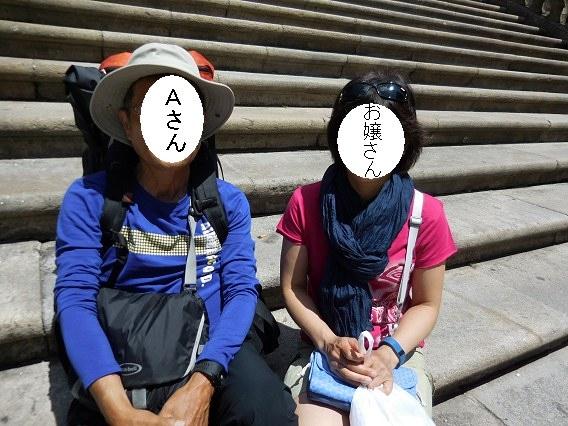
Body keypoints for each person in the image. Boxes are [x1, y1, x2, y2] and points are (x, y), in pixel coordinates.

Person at [54, 43, 297, 426]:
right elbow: (75, 300)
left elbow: (240, 291)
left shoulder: (227, 203)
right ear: (126, 122)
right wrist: (118, 410)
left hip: (207, 343)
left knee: (268, 411)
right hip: (124, 347)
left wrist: (204, 380)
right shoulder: (88, 199)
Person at [276, 70, 458, 424]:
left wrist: (389, 353)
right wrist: (329, 342)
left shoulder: (426, 214)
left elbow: (426, 304)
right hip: (324, 345)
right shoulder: (306, 203)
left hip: (397, 351)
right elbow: (293, 287)